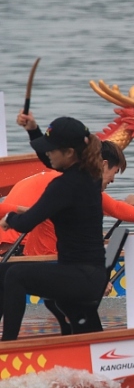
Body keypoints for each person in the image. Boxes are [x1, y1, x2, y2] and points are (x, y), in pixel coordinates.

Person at [0, 114, 106, 341]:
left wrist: (9, 218)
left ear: (69, 152)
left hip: (81, 277)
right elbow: (50, 161)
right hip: (87, 273)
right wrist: (33, 130)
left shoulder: (63, 186)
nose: (47, 153)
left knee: (15, 275)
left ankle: (7, 346)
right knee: (3, 271)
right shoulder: (89, 175)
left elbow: (28, 222)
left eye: (51, 148)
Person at [0, 140, 134, 256]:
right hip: (15, 249)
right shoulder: (70, 183)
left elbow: (102, 207)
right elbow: (114, 208)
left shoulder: (63, 177)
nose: (113, 179)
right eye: (115, 172)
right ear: (103, 165)